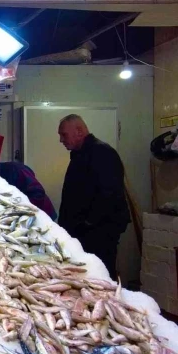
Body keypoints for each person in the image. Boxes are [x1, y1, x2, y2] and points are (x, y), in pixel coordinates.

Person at [57, 114, 129, 279]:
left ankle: (107, 303)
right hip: (85, 230)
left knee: (100, 275)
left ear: (79, 131)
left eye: (64, 134)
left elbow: (109, 194)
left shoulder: (102, 153)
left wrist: (87, 223)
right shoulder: (81, 153)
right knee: (87, 275)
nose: (61, 140)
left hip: (98, 232)